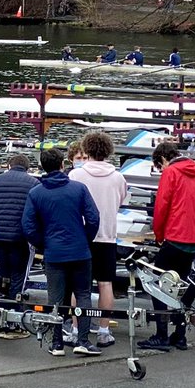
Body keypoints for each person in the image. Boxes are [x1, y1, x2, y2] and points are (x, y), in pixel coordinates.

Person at [21, 147, 101, 356]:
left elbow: (28, 226)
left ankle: (57, 343)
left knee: (55, 298)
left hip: (54, 252)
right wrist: (85, 238)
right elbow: (93, 218)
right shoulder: (79, 189)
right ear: (62, 165)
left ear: (42, 167)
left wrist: (44, 243)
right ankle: (82, 340)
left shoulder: (36, 193)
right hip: (80, 250)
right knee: (83, 294)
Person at [139, 142, 195, 352]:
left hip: (175, 235)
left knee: (157, 284)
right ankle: (180, 334)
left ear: (162, 160)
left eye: (158, 166)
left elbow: (161, 206)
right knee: (182, 289)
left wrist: (159, 234)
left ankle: (161, 334)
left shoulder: (171, 172)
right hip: (192, 237)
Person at [68, 131, 128, 348]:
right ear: (108, 151)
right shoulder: (118, 177)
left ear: (88, 149)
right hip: (107, 235)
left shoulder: (76, 176)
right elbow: (120, 201)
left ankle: (76, 329)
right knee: (105, 284)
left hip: (82, 236)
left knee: (79, 286)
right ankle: (104, 330)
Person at [0, 153, 38, 337]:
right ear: (27, 168)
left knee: (3, 277)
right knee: (19, 279)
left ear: (8, 165)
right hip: (21, 239)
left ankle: (0, 316)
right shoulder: (33, 184)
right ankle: (12, 323)